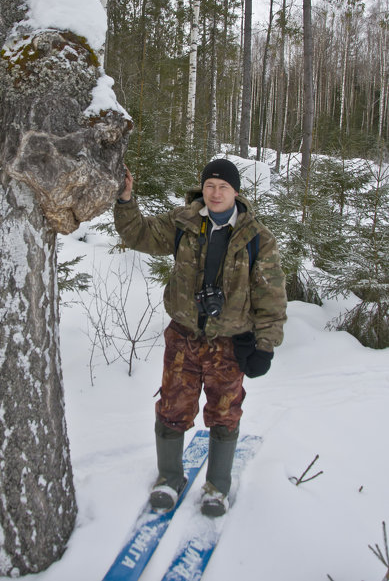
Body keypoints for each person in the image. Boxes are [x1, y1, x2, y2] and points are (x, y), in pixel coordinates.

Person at [114, 158, 287, 517]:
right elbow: (138, 234)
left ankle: (217, 487)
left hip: (230, 341)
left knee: (224, 412)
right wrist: (126, 200)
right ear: (202, 188)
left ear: (236, 191)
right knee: (173, 407)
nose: (216, 192)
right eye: (210, 185)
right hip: (184, 336)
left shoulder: (257, 238)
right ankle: (169, 478)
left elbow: (271, 296)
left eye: (224, 186)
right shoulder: (184, 222)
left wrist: (264, 346)